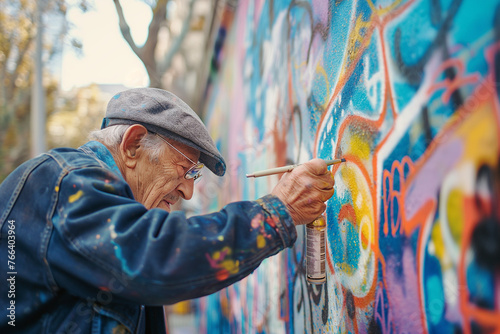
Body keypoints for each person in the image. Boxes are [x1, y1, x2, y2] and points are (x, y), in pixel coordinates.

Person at [0, 88, 334, 333]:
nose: (188, 191)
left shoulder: (98, 202)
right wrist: (280, 211)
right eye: (186, 168)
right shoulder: (62, 183)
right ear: (133, 145)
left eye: (195, 175)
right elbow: (157, 258)